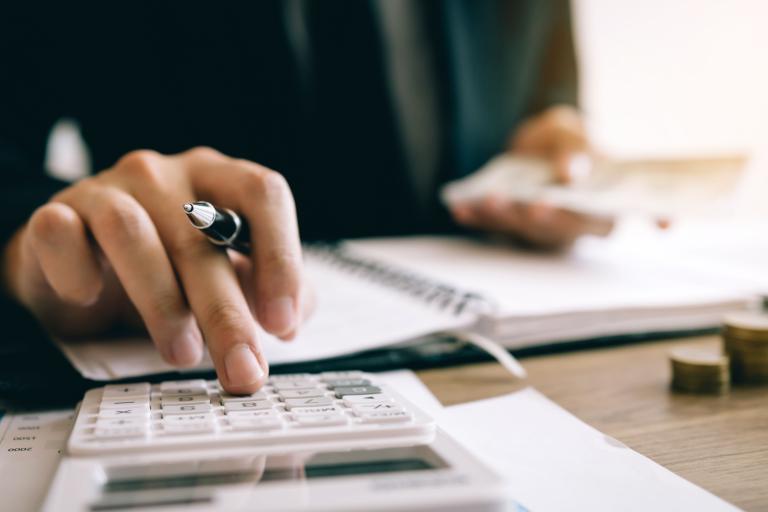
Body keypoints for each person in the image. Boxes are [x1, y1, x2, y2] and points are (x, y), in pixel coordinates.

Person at [0, 0, 608, 393]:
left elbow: (547, 89)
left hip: (503, 350)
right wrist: (32, 245)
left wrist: (555, 143)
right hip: (164, 336)